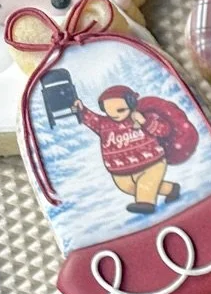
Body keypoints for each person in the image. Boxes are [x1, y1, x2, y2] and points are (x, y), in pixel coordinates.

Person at [73, 86, 181, 214]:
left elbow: (164, 131)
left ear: (131, 103)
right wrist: (82, 110)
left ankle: (146, 205)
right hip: (121, 169)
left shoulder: (142, 118)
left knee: (146, 183)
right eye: (109, 111)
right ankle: (171, 189)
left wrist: (145, 122)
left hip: (152, 162)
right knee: (128, 187)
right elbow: (91, 119)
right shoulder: (103, 124)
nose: (115, 115)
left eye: (120, 110)